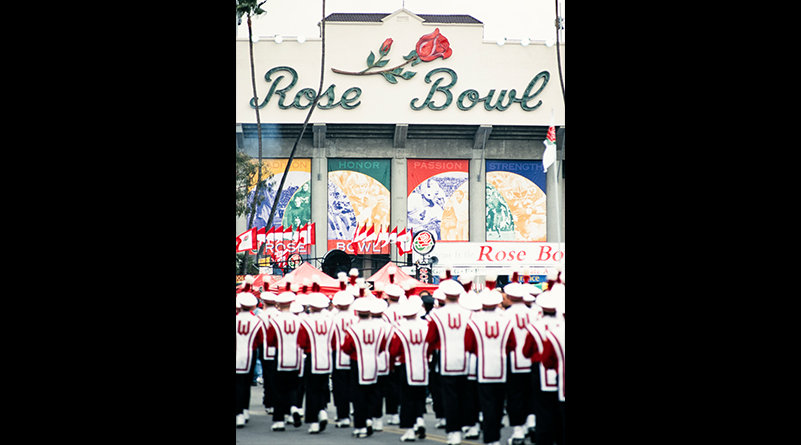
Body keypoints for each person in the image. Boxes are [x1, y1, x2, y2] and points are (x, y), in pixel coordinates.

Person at [464, 288, 517, 445]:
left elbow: (469, 346)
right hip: (501, 365)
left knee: (486, 403)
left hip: (483, 366)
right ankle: (496, 436)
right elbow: (512, 345)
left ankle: (490, 437)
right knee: (499, 403)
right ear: (497, 304)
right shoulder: (506, 321)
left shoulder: (474, 322)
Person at [425, 277, 473, 445]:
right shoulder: (469, 313)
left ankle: (454, 432)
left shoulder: (437, 315)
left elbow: (430, 339)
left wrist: (428, 357)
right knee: (464, 395)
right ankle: (466, 424)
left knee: (450, 397)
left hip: (445, 361)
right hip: (465, 360)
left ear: (444, 296)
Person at [341, 297, 388, 438]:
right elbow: (382, 346)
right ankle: (370, 419)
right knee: (372, 392)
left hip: (357, 363)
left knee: (358, 395)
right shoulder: (379, 328)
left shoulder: (353, 329)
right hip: (373, 362)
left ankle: (360, 425)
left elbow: (346, 348)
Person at [389, 299, 430, 442]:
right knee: (419, 396)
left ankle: (410, 429)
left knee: (406, 398)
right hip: (423, 364)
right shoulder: (426, 326)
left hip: (406, 365)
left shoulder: (400, 328)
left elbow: (394, 350)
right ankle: (419, 420)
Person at [264, 290, 304, 431]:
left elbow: (269, 341)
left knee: (279, 389)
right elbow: (304, 341)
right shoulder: (299, 320)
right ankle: (293, 408)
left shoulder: (275, 321)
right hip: (296, 358)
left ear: (279, 305)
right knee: (293, 387)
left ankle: (279, 420)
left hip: (280, 357)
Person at [298, 291, 335, 434]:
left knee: (312, 389)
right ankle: (322, 411)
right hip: (326, 358)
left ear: (311, 306)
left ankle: (313, 421)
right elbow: (334, 342)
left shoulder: (306, 321)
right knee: (322, 386)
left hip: (311, 357)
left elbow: (301, 342)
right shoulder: (331, 321)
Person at [236, 293, 265, 428]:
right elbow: (260, 340)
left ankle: (238, 412)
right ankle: (245, 410)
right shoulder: (257, 321)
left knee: (238, 383)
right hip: (250, 353)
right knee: (247, 382)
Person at [330, 289, 356, 428]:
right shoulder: (356, 318)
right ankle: (356, 411)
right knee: (354, 385)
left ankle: (343, 415)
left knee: (340, 387)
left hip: (337, 354)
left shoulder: (332, 319)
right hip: (354, 356)